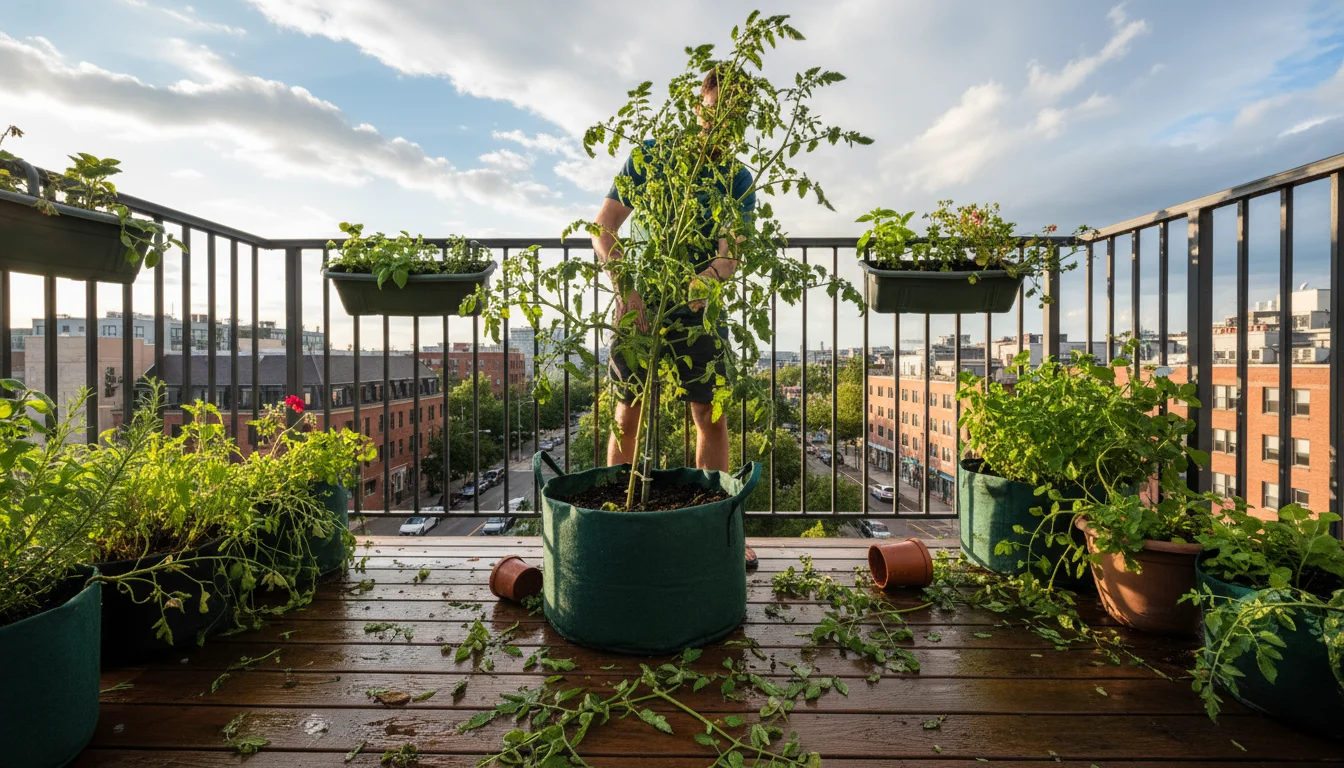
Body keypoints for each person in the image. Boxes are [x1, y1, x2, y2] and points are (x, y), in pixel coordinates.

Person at [591, 66, 757, 567]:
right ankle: (616, 523)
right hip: (639, 304)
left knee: (711, 415)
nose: (726, 121)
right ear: (699, 104)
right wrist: (628, 289)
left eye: (737, 114)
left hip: (699, 311)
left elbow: (730, 255)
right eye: (719, 108)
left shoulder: (739, 178)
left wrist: (701, 284)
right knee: (627, 412)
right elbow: (604, 227)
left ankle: (715, 533)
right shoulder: (651, 155)